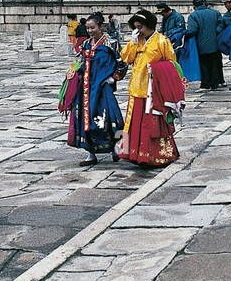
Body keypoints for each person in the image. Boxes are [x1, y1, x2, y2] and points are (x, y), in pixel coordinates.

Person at [117, 10, 184, 168]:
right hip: (136, 89)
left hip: (153, 91)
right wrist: (132, 43)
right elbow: (126, 59)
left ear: (149, 25)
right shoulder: (137, 41)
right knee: (135, 124)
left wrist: (156, 68)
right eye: (136, 27)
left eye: (140, 27)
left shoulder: (162, 41)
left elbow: (172, 65)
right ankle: (133, 153)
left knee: (153, 125)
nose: (138, 30)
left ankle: (156, 155)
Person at [61, 13, 124, 166]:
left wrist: (113, 78)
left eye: (92, 27)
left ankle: (117, 148)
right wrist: (74, 72)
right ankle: (91, 152)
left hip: (102, 88)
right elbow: (81, 62)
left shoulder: (111, 43)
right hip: (86, 89)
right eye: (87, 28)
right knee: (85, 119)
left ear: (101, 27)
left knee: (111, 118)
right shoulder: (85, 44)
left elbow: (122, 64)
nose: (89, 31)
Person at [159, 1, 201, 85]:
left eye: (163, 13)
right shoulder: (165, 18)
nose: (162, 16)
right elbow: (162, 29)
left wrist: (169, 33)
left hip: (176, 43)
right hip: (168, 42)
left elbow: (180, 29)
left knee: (177, 61)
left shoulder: (178, 17)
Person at [186, 0, 224, 88]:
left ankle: (206, 83)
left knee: (204, 65)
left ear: (194, 6)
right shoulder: (215, 13)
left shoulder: (193, 15)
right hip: (215, 43)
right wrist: (216, 32)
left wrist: (184, 34)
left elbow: (192, 30)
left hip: (201, 45)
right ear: (203, 3)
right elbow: (221, 25)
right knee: (215, 63)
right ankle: (215, 83)